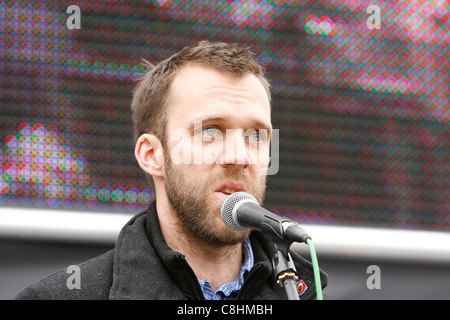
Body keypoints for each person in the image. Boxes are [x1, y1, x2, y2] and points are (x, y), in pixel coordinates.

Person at [16, 41, 328, 300]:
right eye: (210, 131)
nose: (239, 156)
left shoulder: (304, 292)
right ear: (152, 155)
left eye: (256, 135)